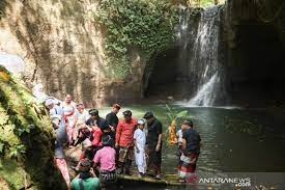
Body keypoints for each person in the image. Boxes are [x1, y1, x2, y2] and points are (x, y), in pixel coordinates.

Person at [115, 110, 137, 175]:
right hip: (123, 142)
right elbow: (118, 133)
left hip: (131, 143)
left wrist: (137, 141)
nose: (126, 118)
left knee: (130, 157)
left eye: (127, 116)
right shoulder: (121, 122)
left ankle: (127, 170)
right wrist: (116, 142)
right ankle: (120, 169)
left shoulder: (135, 122)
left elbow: (137, 131)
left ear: (130, 116)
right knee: (122, 157)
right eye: (125, 116)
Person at [52, 115, 70, 189]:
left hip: (55, 156)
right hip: (59, 155)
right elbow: (66, 142)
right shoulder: (61, 129)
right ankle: (67, 187)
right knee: (64, 173)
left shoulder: (51, 131)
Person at [144, 111, 163, 179]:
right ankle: (151, 172)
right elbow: (148, 132)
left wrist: (158, 144)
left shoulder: (158, 123)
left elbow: (160, 134)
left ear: (152, 118)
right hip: (150, 142)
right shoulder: (149, 123)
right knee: (149, 157)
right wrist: (146, 143)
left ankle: (158, 173)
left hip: (156, 143)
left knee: (156, 158)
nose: (147, 120)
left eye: (147, 119)